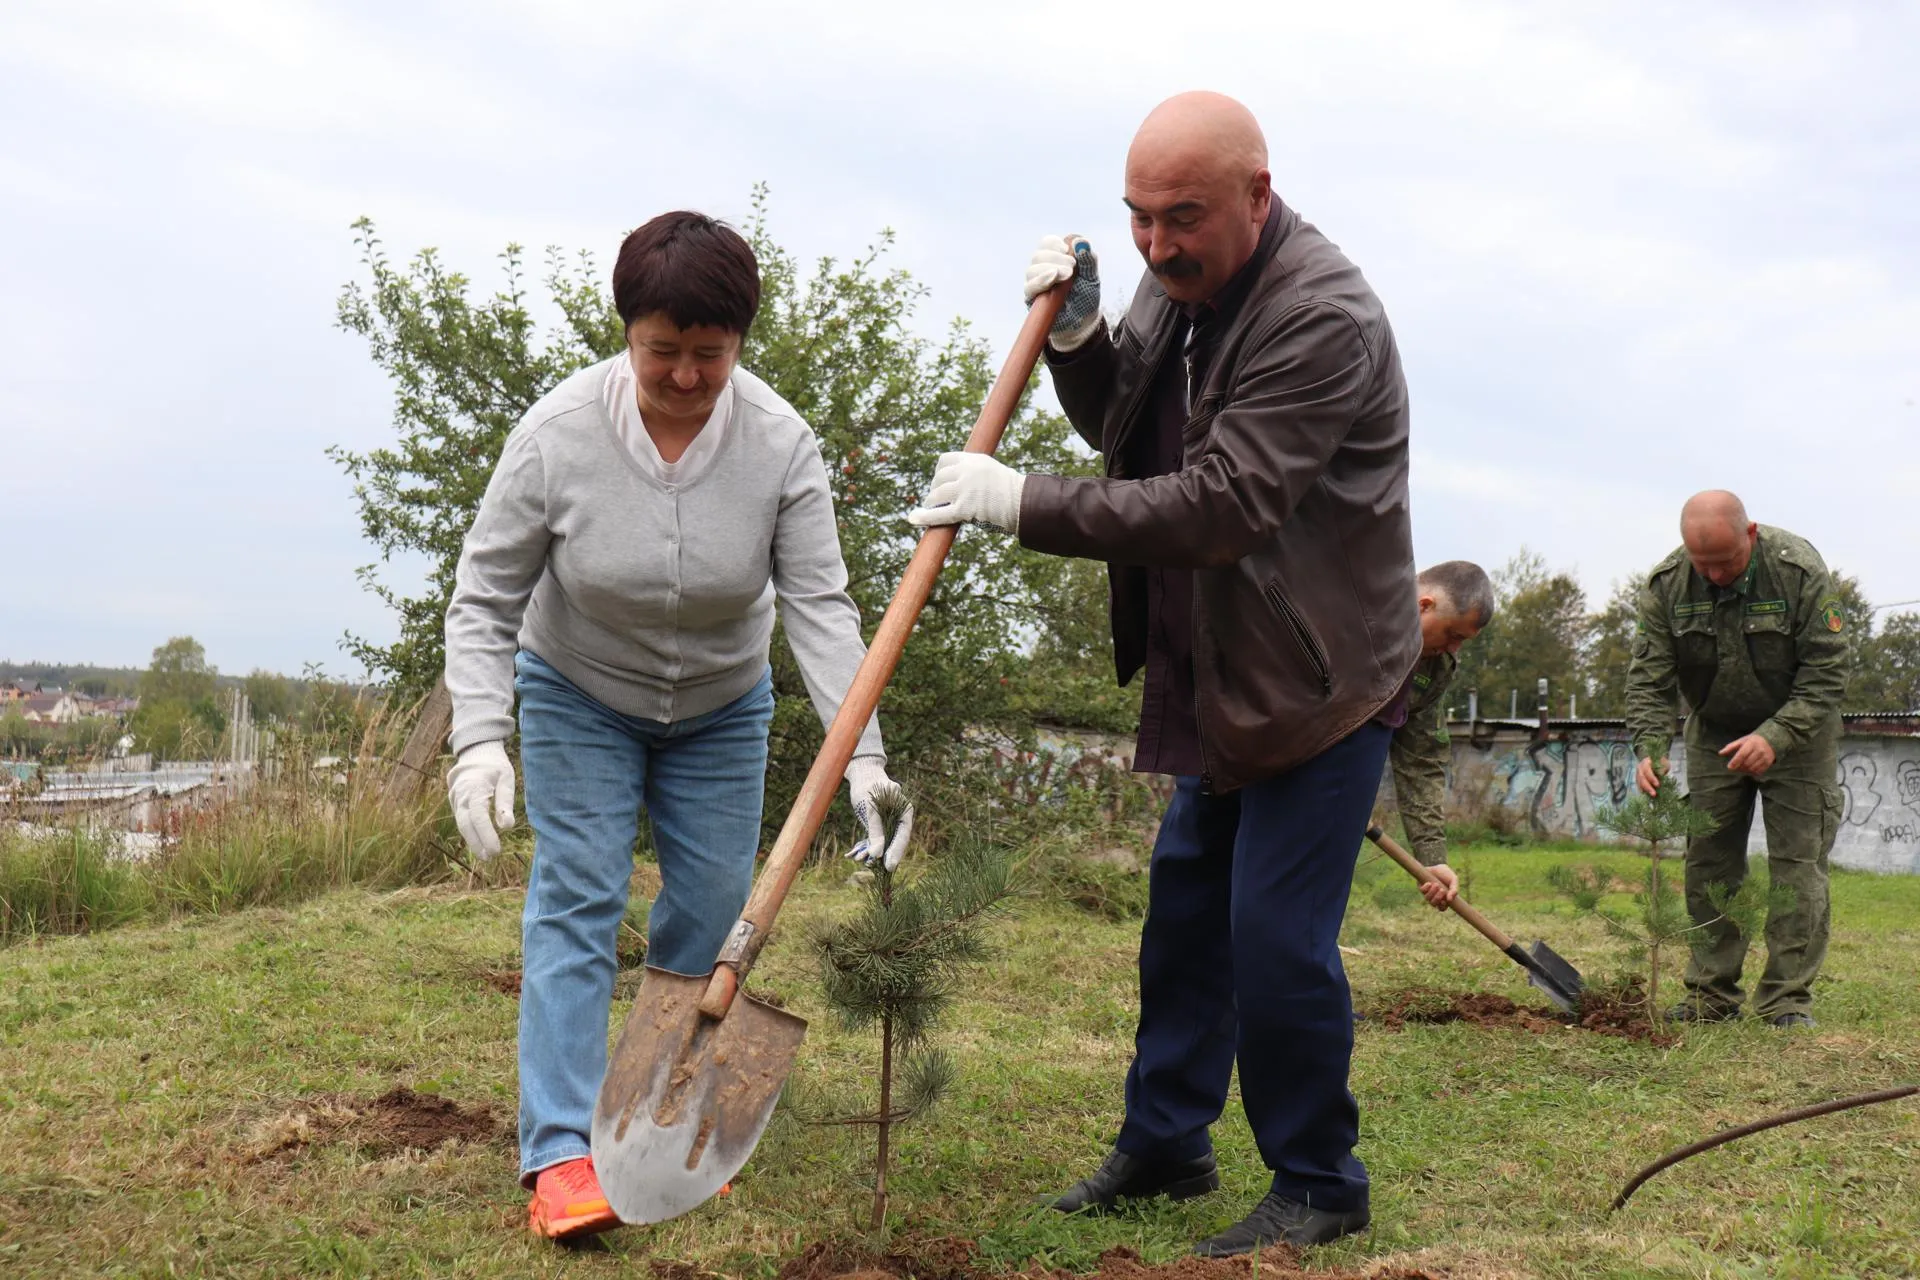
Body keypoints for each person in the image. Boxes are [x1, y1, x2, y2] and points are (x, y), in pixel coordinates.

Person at [910, 91, 1418, 1254]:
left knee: (1275, 934)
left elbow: (1223, 503)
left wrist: (1017, 503)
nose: (1155, 243)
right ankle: (1168, 1142)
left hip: (1320, 676)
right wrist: (1086, 340)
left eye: (1180, 216)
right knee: (1186, 919)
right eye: (1138, 218)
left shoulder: (1322, 316)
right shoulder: (1179, 281)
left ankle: (1320, 1179)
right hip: (1220, 664)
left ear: (1257, 192)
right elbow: (1127, 432)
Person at [442, 211, 913, 1240]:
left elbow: (823, 612)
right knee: (579, 892)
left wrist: (864, 760)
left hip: (719, 707)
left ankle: (659, 1125)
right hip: (578, 687)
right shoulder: (558, 434)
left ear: (740, 342)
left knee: (709, 913)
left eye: (711, 354)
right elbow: (484, 595)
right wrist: (481, 735)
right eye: (665, 352)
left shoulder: (781, 444)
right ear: (628, 333)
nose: (688, 376)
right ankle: (564, 1151)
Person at [1625, 490, 1847, 1029]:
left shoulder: (1798, 572)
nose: (1716, 574)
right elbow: (1648, 681)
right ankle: (1710, 995)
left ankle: (1786, 1001)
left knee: (1797, 867)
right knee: (1709, 862)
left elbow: (1828, 671)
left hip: (1799, 734)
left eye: (1726, 562)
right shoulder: (1667, 585)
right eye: (1703, 564)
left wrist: (1776, 735)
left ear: (1750, 535)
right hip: (1714, 735)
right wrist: (1650, 749)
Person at [1391, 561, 1496, 910]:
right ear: (1424, 605)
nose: (1454, 649)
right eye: (1453, 635)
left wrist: (1431, 857)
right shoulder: (1351, 620)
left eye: (1463, 641)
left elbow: (1419, 758)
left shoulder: (1435, 666)